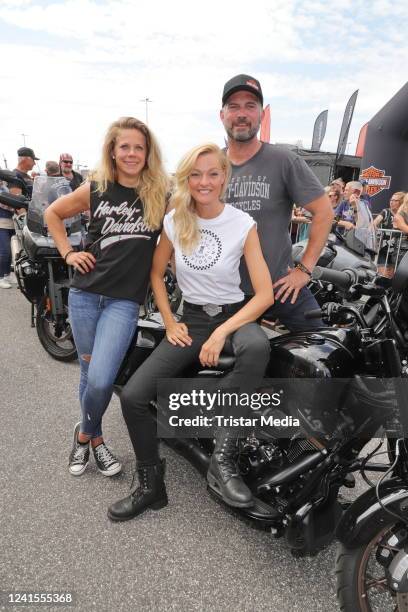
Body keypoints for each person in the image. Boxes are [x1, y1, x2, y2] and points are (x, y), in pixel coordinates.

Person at [107, 143, 274, 522]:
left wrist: (222, 333)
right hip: (193, 320)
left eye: (213, 173)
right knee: (133, 397)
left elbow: (263, 295)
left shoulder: (242, 224)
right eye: (196, 174)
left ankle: (223, 458)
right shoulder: (174, 220)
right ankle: (151, 486)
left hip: (235, 316)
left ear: (224, 178)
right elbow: (155, 272)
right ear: (186, 179)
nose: (204, 182)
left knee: (258, 346)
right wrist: (170, 320)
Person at [44, 117, 168, 478]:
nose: (131, 153)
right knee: (88, 370)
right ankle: (96, 441)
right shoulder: (97, 188)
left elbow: (184, 229)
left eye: (138, 147)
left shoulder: (160, 193)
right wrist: (68, 252)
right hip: (85, 295)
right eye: (124, 146)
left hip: (123, 302)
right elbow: (53, 213)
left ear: (148, 153)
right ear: (113, 151)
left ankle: (82, 434)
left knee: (101, 379)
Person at [219, 74, 333, 331]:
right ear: (222, 115)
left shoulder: (284, 161)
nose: (242, 114)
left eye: (250, 106)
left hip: (280, 286)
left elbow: (324, 212)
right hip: (227, 293)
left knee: (324, 347)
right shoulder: (208, 165)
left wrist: (304, 270)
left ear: (261, 115)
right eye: (234, 106)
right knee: (223, 363)